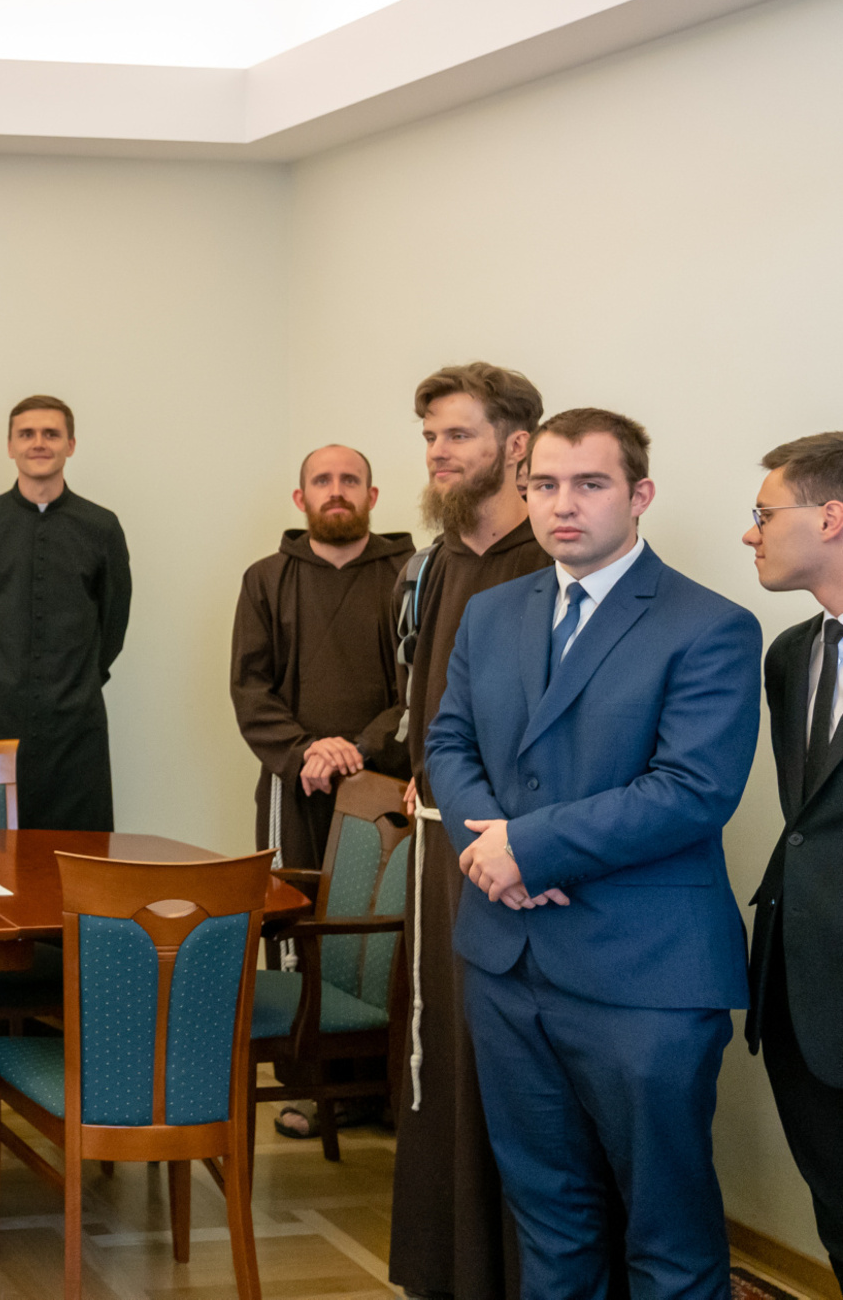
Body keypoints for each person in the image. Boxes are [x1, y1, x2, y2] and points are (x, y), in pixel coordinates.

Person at [426, 408, 759, 1299]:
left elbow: (691, 789)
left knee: (668, 1235)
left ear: (640, 494)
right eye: (543, 484)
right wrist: (493, 851)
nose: (562, 504)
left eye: (590, 483)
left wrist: (529, 850)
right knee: (550, 1219)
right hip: (506, 962)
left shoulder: (711, 624)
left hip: (645, 974)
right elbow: (448, 743)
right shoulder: (493, 612)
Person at [387, 361, 552, 1300]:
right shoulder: (439, 563)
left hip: (516, 856)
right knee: (443, 1059)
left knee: (509, 1075)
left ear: (516, 444)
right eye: (430, 437)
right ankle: (448, 1272)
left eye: (458, 434)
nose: (438, 453)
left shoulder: (548, 561)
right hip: (440, 843)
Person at [742, 432, 843, 1286]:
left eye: (765, 513)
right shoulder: (790, 654)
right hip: (798, 984)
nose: (752, 532)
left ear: (831, 517)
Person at [0, 394, 130, 829]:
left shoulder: (101, 527)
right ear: (10, 446)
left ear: (71, 445)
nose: (39, 443)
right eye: (26, 434)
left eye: (51, 434)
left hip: (76, 721)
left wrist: (80, 681)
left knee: (79, 851)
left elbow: (114, 622)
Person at [232, 443, 414, 871]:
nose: (336, 491)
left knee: (381, 909)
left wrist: (362, 748)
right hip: (296, 780)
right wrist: (306, 750)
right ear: (301, 498)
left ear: (371, 496)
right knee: (291, 904)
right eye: (322, 481)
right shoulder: (265, 579)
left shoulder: (411, 577)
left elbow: (422, 683)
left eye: (350, 480)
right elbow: (250, 688)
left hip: (387, 779)